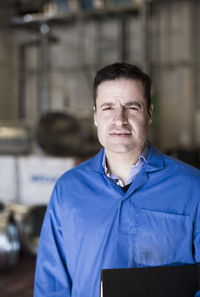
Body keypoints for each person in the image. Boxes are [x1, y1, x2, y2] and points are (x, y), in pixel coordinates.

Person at [34, 62, 200, 297]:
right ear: (95, 116)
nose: (119, 119)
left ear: (149, 114)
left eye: (132, 108)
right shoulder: (68, 190)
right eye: (108, 108)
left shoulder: (193, 188)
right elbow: (50, 283)